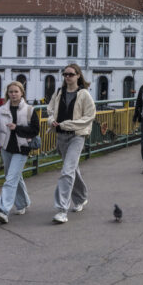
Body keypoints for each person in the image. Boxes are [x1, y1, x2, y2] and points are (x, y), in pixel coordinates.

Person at [46, 64, 96, 224]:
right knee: (72, 169)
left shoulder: (84, 95)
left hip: (77, 136)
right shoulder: (59, 93)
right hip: (61, 136)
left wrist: (68, 124)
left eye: (71, 74)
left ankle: (61, 210)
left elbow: (89, 116)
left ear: (78, 76)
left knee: (66, 171)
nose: (67, 77)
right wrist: (52, 121)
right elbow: (50, 111)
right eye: (65, 74)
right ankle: (81, 198)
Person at [0, 81, 39, 224]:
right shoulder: (2, 109)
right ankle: (23, 203)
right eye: (11, 92)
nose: (13, 94)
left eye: (16, 91)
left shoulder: (29, 110)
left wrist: (17, 128)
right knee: (14, 176)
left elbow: (35, 130)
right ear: (7, 94)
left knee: (10, 179)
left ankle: (3, 209)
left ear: (22, 93)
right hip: (6, 147)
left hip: (21, 149)